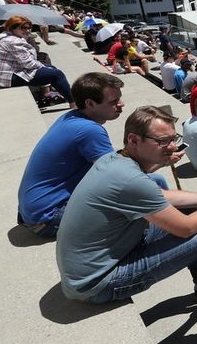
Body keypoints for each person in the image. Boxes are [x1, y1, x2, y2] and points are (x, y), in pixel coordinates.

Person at [55, 106, 197, 333]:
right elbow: (185, 229)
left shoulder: (116, 161)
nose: (173, 146)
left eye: (173, 138)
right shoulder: (129, 179)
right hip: (98, 282)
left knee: (189, 207)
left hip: (101, 259)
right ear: (134, 140)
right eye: (163, 141)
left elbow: (162, 197)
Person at [17, 73, 124, 238]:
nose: (121, 104)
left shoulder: (71, 117)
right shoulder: (90, 130)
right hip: (49, 217)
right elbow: (118, 177)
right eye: (113, 101)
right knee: (135, 208)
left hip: (33, 210)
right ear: (90, 103)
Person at [0, 15, 74, 106]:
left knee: (51, 69)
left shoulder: (4, 36)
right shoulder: (13, 41)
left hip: (4, 73)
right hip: (7, 77)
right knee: (57, 74)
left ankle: (63, 93)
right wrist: (44, 66)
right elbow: (28, 64)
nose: (28, 30)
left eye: (29, 28)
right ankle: (73, 102)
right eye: (24, 28)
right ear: (13, 28)